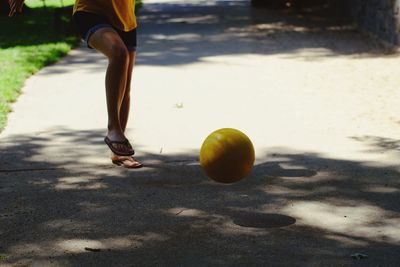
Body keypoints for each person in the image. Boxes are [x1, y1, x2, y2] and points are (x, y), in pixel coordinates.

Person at [8, 0, 143, 168]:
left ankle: (118, 152)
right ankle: (114, 129)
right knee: (119, 53)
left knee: (125, 84)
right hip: (90, 11)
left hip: (125, 18)